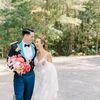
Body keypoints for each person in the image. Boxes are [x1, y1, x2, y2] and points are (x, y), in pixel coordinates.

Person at [7, 28, 37, 100]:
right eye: (31, 36)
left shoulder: (34, 46)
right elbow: (8, 61)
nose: (33, 38)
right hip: (19, 76)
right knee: (19, 97)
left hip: (31, 75)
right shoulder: (14, 46)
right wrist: (15, 69)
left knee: (28, 97)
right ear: (25, 36)